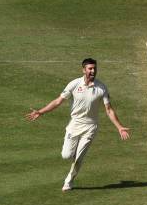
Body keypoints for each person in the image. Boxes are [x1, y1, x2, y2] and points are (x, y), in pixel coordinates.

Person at [25, 58, 130, 192]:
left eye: (94, 68)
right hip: (74, 125)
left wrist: (119, 127)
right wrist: (41, 112)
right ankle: (74, 157)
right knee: (66, 155)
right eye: (90, 68)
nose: (93, 71)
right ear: (83, 70)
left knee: (79, 157)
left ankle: (69, 180)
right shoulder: (74, 84)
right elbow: (58, 101)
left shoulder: (101, 87)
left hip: (90, 127)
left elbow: (109, 109)